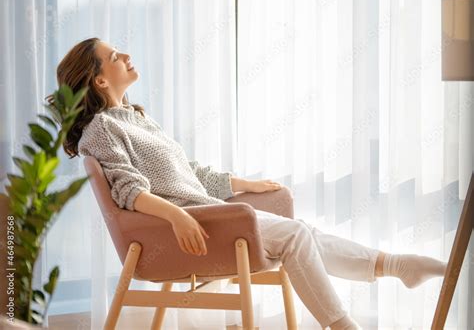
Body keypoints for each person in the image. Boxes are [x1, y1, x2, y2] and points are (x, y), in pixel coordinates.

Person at [50, 38, 447, 330]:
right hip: (188, 229)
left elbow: (190, 172)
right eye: (114, 56)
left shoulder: (137, 117)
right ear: (100, 81)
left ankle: (395, 266)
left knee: (302, 232)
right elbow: (128, 191)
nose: (127, 54)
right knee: (295, 236)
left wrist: (247, 185)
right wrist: (178, 218)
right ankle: (344, 324)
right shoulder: (101, 129)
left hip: (206, 215)